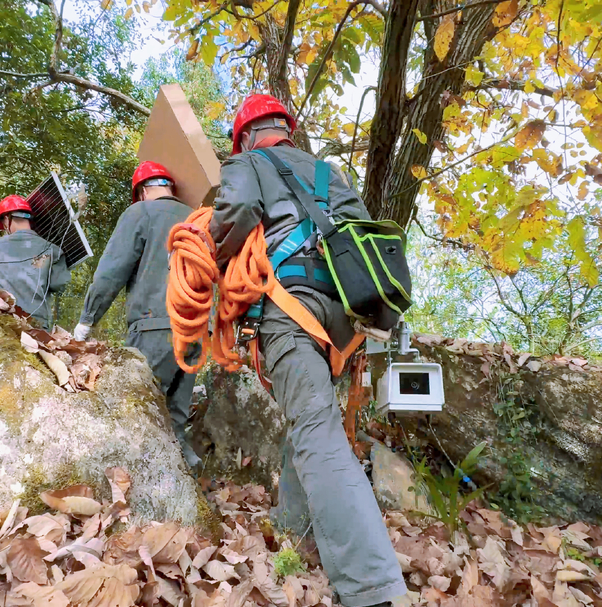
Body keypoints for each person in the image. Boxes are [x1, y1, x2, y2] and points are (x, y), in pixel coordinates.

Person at [208, 94, 408, 607]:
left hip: (291, 306)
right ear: (287, 131)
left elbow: (235, 210)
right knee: (311, 419)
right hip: (345, 320)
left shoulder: (247, 162)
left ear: (247, 136)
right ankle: (294, 530)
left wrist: (209, 248)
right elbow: (363, 234)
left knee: (316, 429)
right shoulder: (330, 174)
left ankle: (372, 588)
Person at [73, 162, 201, 469]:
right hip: (198, 332)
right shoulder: (199, 219)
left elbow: (111, 273)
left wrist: (86, 320)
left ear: (142, 191)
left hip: (155, 328)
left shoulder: (140, 213)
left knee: (135, 415)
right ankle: (188, 497)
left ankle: (132, 498)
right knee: (175, 424)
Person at [0, 195, 70, 329]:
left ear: (7, 219)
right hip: (36, 323)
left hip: (0, 320)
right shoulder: (53, 249)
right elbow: (59, 285)